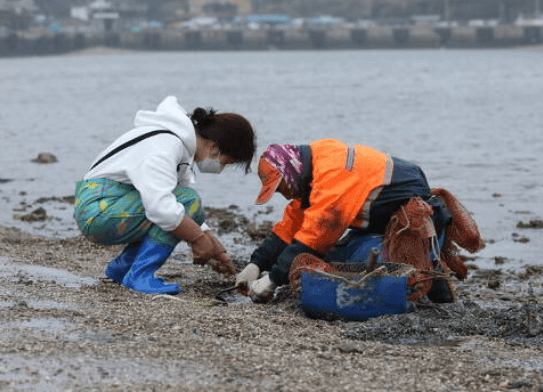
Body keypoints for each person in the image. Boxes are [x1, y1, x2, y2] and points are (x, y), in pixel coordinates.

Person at [235, 139, 478, 304]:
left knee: (379, 268)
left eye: (280, 187)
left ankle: (438, 294)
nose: (283, 194)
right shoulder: (311, 175)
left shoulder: (332, 174)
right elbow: (290, 228)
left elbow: (313, 235)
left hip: (414, 220)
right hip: (380, 219)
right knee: (327, 263)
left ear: (291, 172)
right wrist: (256, 263)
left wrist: (273, 279)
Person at [74, 96, 256, 294]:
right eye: (226, 162)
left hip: (105, 206)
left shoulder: (179, 147)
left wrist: (214, 247)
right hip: (98, 211)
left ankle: (122, 269)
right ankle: (139, 275)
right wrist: (197, 239)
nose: (221, 169)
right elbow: (162, 208)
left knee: (182, 204)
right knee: (181, 203)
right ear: (214, 148)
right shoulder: (165, 146)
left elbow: (184, 210)